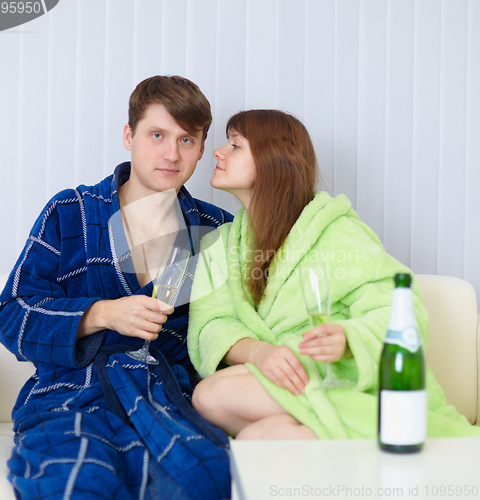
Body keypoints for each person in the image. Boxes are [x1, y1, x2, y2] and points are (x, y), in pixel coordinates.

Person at [0, 76, 233, 500]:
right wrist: (99, 313)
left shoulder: (215, 231)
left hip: (168, 399)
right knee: (77, 483)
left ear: (201, 148)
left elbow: (235, 324)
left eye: (186, 140)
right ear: (129, 136)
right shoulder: (71, 211)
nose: (171, 154)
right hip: (69, 396)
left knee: (203, 479)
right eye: (157, 135)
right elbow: (11, 312)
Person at [187, 109, 480, 441]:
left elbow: (402, 307)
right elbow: (210, 324)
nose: (218, 151)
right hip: (269, 376)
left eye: (235, 145)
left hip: (345, 381)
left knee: (211, 397)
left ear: (273, 158)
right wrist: (259, 352)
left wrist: (348, 340)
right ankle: (372, 436)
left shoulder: (333, 232)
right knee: (261, 434)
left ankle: (396, 424)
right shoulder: (219, 245)